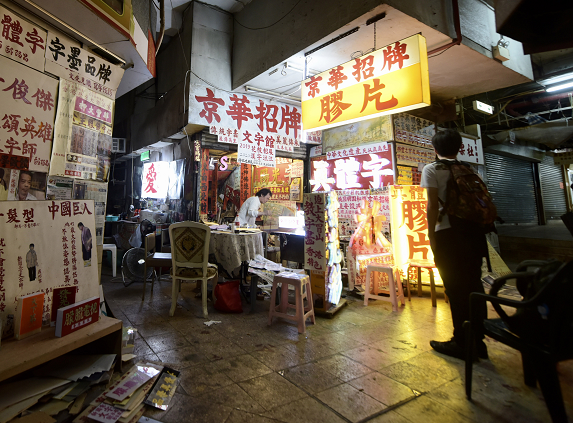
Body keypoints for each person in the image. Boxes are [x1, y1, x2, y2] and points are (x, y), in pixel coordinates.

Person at [420, 129, 488, 360]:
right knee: (474, 286)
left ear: (435, 149)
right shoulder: (468, 169)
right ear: (460, 147)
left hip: (449, 236)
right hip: (475, 235)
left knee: (456, 289)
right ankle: (479, 342)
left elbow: (432, 206)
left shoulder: (432, 169)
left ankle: (462, 342)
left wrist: (431, 235)